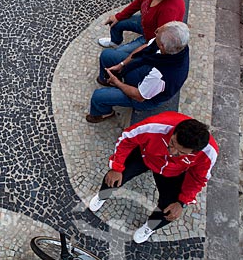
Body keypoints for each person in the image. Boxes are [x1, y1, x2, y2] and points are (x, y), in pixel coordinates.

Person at [88, 111, 218, 244]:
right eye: (172, 143)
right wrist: (117, 167)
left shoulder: (209, 153)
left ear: (194, 152)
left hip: (174, 172)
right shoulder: (155, 126)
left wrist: (182, 202)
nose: (172, 152)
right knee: (112, 179)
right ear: (174, 132)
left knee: (169, 212)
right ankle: (102, 196)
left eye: (181, 153)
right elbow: (127, 138)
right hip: (145, 156)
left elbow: (198, 178)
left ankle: (149, 227)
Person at [86, 21, 189, 123]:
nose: (156, 31)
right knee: (106, 55)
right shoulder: (178, 46)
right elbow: (145, 48)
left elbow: (139, 96)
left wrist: (117, 83)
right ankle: (106, 79)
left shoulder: (161, 76)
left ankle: (104, 113)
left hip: (145, 97)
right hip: (147, 69)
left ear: (162, 46)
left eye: (157, 33)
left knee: (98, 96)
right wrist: (122, 64)